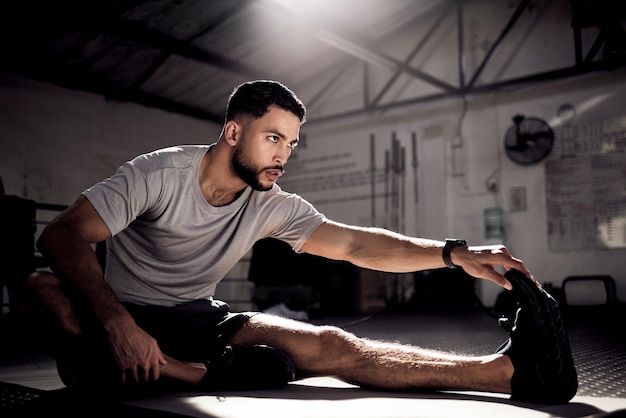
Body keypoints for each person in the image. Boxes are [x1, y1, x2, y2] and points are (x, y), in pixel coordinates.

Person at [23, 80, 577, 404]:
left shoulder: (272, 203)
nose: (283, 154)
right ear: (233, 132)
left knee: (333, 344)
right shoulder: (158, 175)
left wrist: (454, 254)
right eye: (272, 138)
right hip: (121, 314)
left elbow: (357, 246)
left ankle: (506, 373)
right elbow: (62, 234)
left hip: (196, 318)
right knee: (43, 290)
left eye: (291, 142)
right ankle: (192, 373)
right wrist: (122, 326)